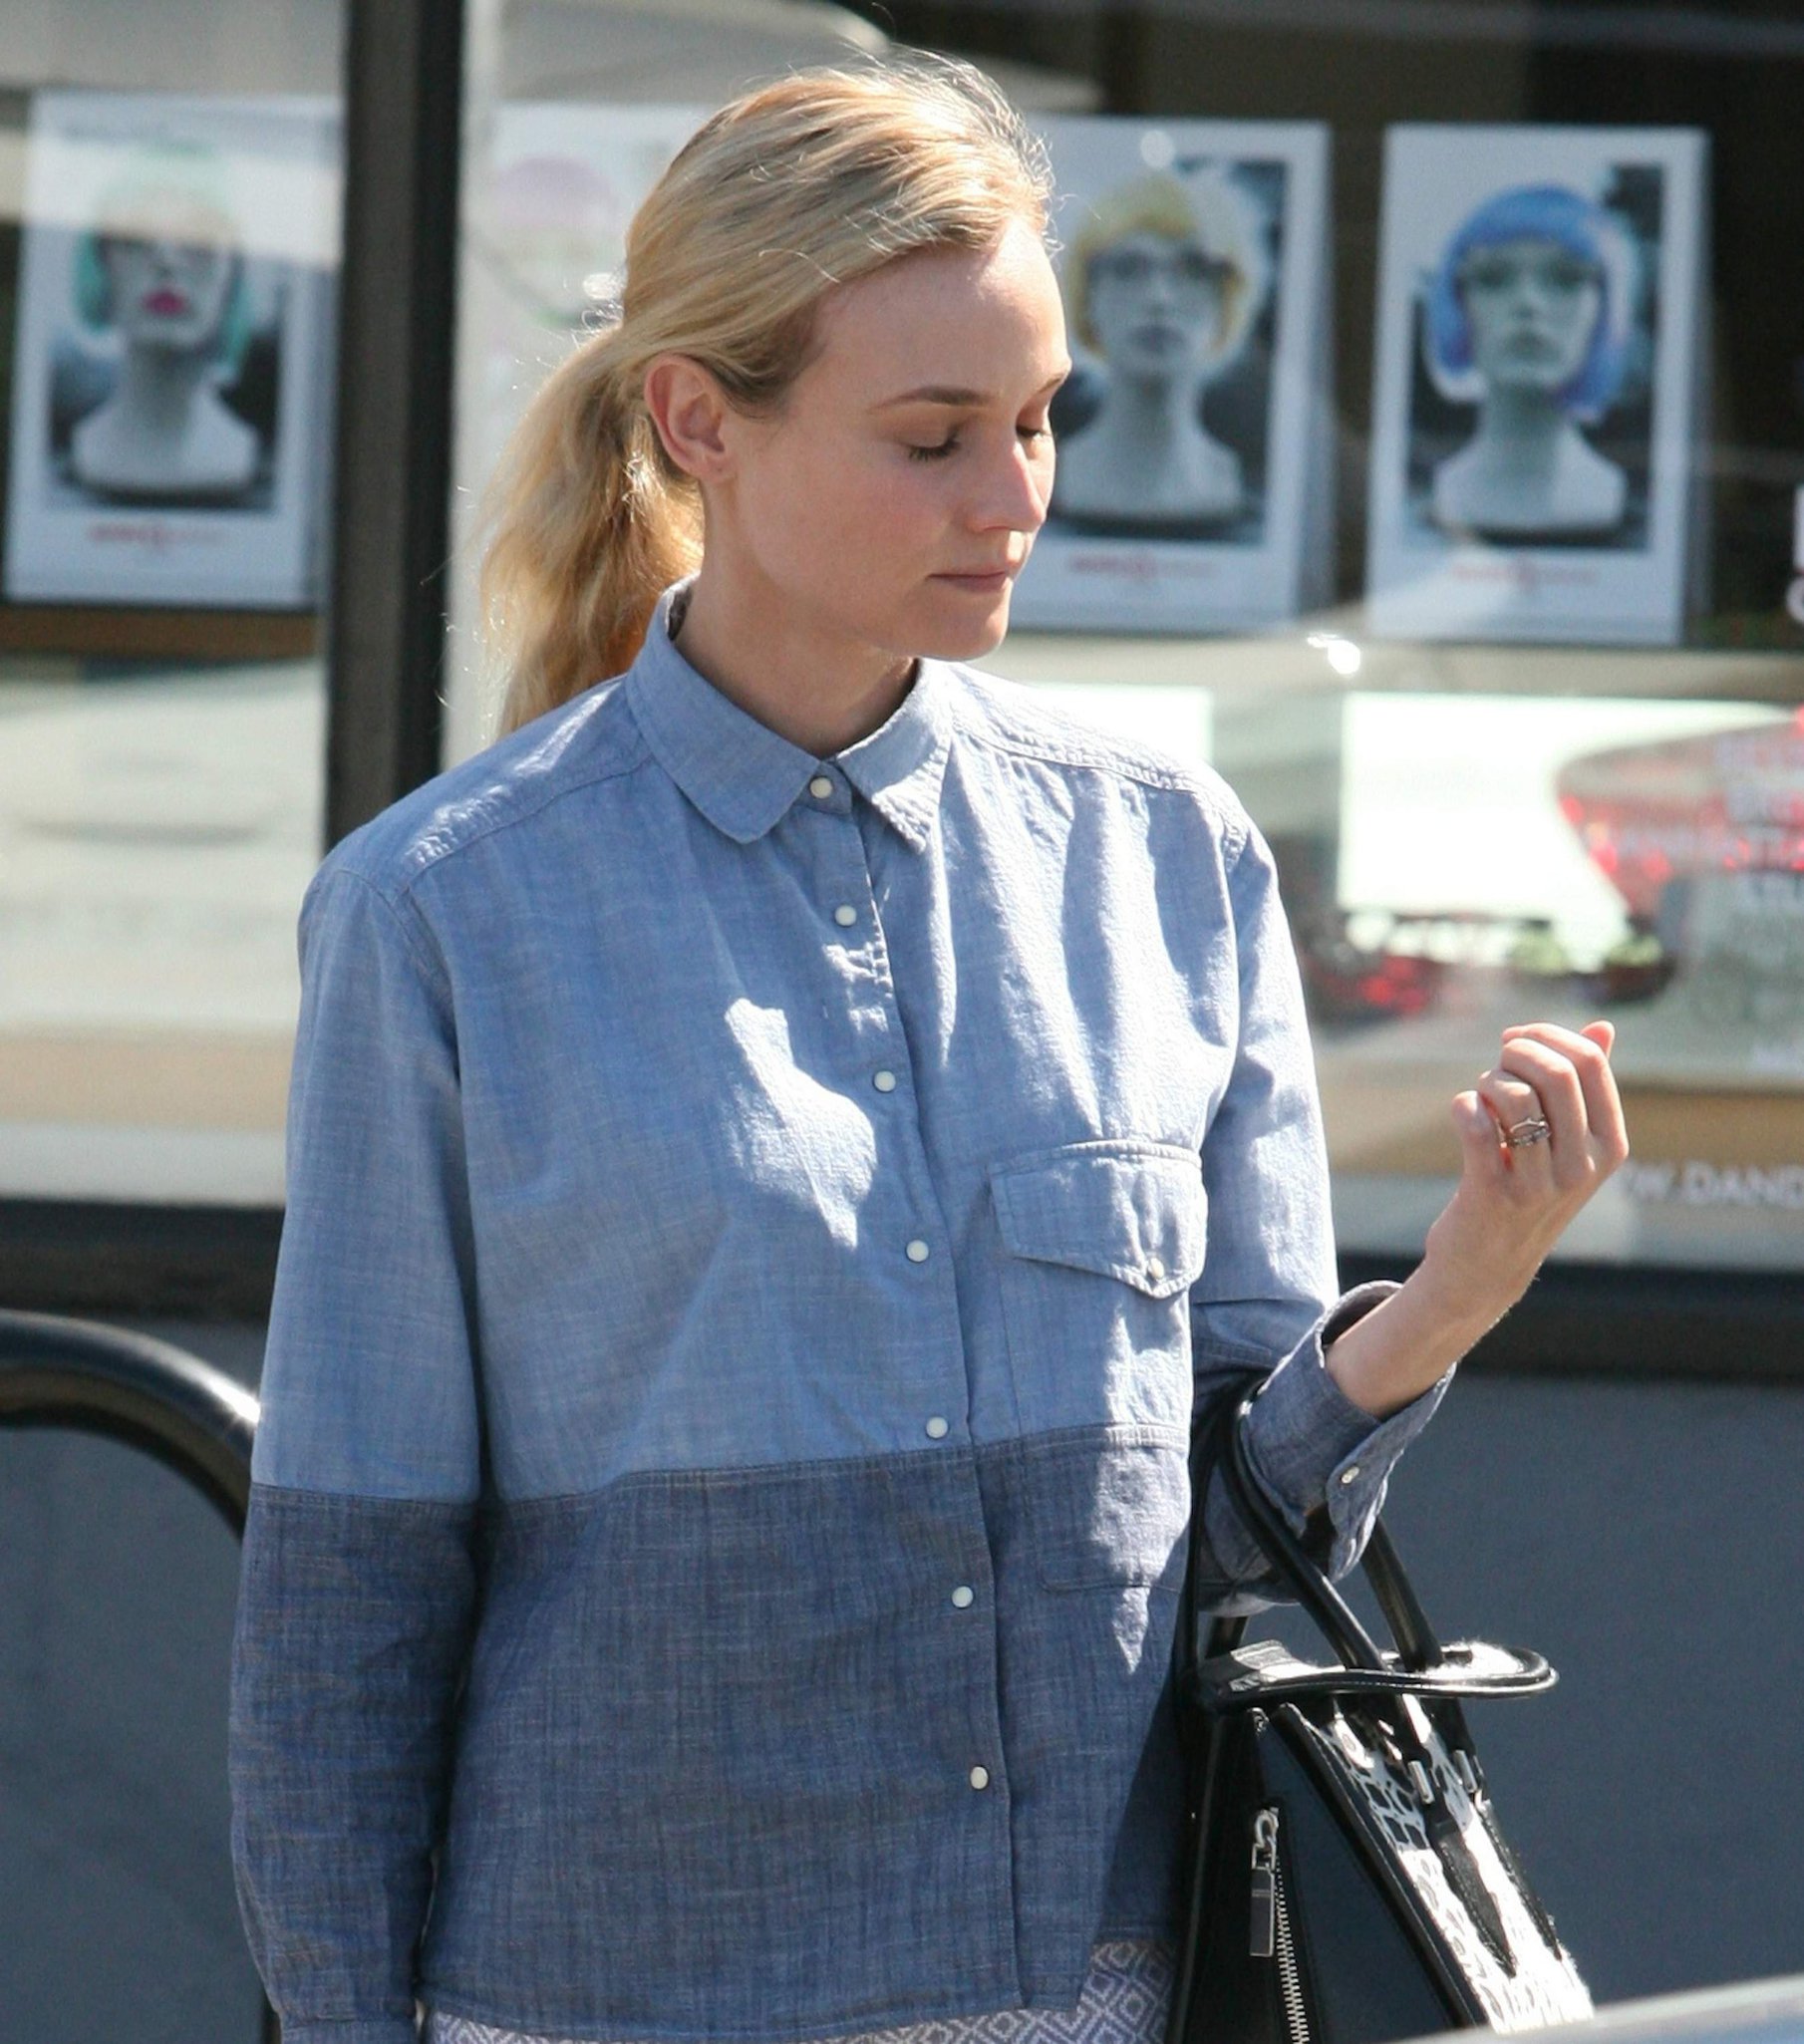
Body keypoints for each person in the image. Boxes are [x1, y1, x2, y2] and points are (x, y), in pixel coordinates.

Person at [229, 58, 1629, 2044]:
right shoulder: (446, 913)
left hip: (1086, 1992)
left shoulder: (1168, 862)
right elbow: (346, 1601)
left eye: (1038, 418)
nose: (1014, 493)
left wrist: (1449, 1297)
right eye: (931, 434)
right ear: (698, 419)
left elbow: (1217, 1544)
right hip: (613, 1999)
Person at [1050, 167, 1266, 535]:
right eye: (1128, 268)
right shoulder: (1041, 488)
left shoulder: (1258, 501)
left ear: (1225, 300)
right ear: (1088, 299)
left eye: (1193, 269)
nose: (1159, 299)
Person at [1423, 182, 1638, 539]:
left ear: (1605, 310)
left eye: (1566, 279)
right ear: (1458, 302)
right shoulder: (1425, 506)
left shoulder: (1629, 512)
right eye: (1494, 279)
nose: (1528, 304)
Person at [67, 143, 259, 502]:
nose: (166, 259)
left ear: (233, 270)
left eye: (198, 236)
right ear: (102, 261)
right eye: (138, 236)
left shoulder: (249, 459)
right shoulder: (67, 457)